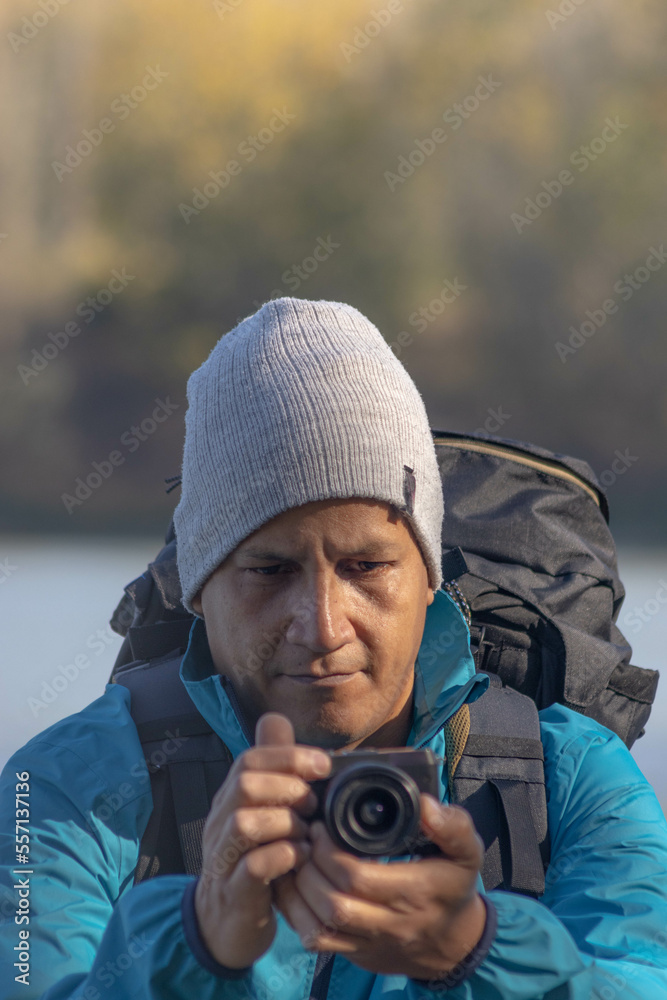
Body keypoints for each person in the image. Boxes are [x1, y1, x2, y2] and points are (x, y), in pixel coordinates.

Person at [2, 296, 667, 1000]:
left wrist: (476, 953)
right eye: (268, 570)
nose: (321, 626)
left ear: (429, 581)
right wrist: (196, 944)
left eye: (366, 567)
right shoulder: (58, 788)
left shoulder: (571, 779)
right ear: (198, 587)